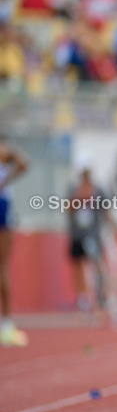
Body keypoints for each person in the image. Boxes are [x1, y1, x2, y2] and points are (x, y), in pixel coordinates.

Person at [68, 156, 117, 312]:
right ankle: (82, 297)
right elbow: (68, 209)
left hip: (93, 233)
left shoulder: (98, 190)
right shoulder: (74, 188)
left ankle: (102, 295)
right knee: (78, 265)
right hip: (77, 234)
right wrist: (80, 197)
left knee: (97, 263)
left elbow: (106, 210)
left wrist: (113, 227)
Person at [0, 137, 28, 346]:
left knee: (2, 267)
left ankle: (6, 324)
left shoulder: (4, 157)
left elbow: (23, 162)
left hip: (3, 210)